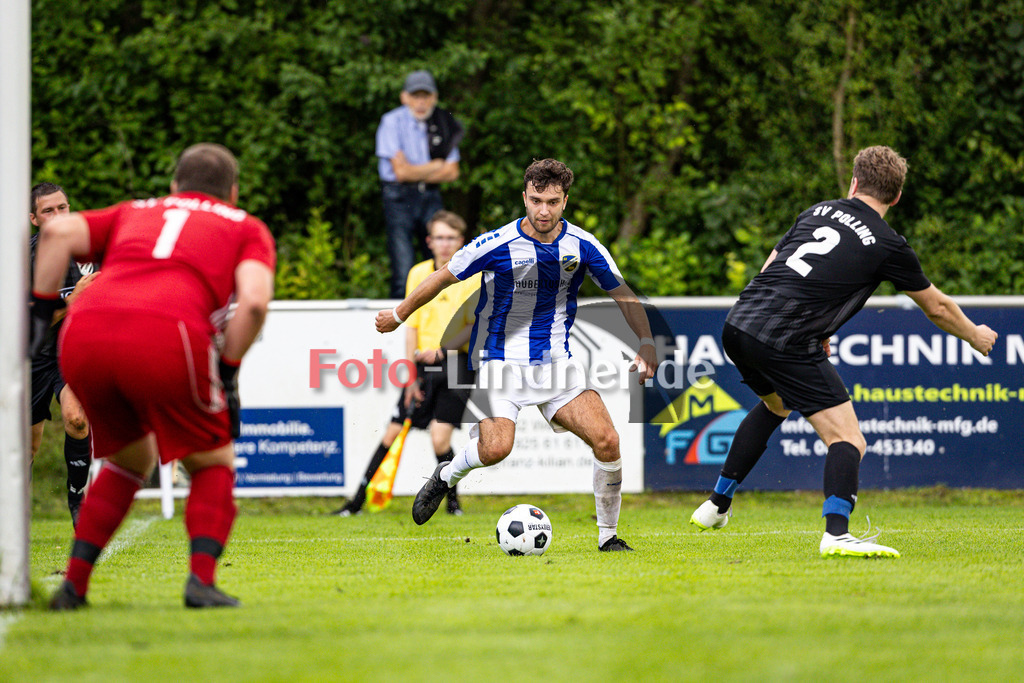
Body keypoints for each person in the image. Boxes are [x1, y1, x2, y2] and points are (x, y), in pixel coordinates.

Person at [689, 145, 998, 558]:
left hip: (741, 322)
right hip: (786, 338)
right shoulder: (889, 244)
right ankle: (836, 533)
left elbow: (772, 265)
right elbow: (937, 307)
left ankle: (716, 505)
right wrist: (974, 335)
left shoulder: (817, 211)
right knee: (848, 437)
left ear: (854, 182)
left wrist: (804, 321)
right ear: (897, 197)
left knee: (777, 404)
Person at [32, 143, 276, 609]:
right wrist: (227, 371)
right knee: (213, 461)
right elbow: (256, 303)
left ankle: (73, 587)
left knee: (129, 460)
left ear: (173, 187)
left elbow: (59, 232)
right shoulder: (246, 227)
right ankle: (201, 582)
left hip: (84, 332)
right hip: (168, 333)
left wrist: (42, 316)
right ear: (234, 191)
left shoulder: (136, 210)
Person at [375, 159, 658, 552]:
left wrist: (646, 342)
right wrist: (398, 314)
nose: (544, 210)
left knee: (608, 441)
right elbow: (442, 278)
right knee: (496, 449)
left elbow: (622, 293)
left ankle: (608, 537)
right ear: (524, 197)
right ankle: (445, 476)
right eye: (536, 200)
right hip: (500, 364)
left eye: (553, 202)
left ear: (565, 201)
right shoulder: (496, 243)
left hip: (558, 367)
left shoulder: (584, 245)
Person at [334, 210, 480, 517]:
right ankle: (355, 504)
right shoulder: (418, 273)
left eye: (451, 238)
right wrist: (411, 374)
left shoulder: (473, 276)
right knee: (392, 432)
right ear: (429, 241)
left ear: (461, 241)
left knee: (440, 437)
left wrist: (441, 352)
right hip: (422, 366)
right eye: (439, 237)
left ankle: (453, 505)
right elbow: (410, 326)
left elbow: (474, 326)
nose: (444, 244)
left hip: (457, 364)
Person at [27, 182, 96, 527]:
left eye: (62, 208)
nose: (57, 216)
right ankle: (15, 515)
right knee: (29, 448)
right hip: (32, 355)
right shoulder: (25, 258)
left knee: (77, 418)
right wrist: (71, 302)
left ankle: (76, 499)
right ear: (34, 219)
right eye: (48, 211)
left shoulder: (88, 248)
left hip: (69, 351)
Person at [376, 69, 463, 298]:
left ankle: (438, 312)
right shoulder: (391, 121)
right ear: (405, 97)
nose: (421, 102)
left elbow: (452, 172)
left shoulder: (444, 122)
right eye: (416, 96)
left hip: (430, 196)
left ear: (434, 97)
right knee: (403, 265)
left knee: (437, 259)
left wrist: (416, 171)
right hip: (398, 197)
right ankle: (400, 323)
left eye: (426, 96)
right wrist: (435, 165)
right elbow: (400, 172)